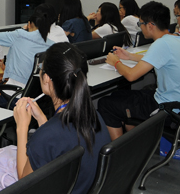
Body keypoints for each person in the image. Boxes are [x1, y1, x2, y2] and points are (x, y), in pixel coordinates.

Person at [11, 42, 111, 194]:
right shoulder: (93, 115)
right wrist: (42, 121)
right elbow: (57, 144)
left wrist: (22, 127)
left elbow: (24, 184)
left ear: (46, 79)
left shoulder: (46, 137)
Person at [98, 1, 180, 140]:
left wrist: (115, 62)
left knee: (106, 104)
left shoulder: (161, 44)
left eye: (141, 24)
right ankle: (137, 140)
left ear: (150, 25)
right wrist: (129, 56)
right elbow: (158, 58)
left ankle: (121, 149)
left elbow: (131, 76)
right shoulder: (179, 38)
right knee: (118, 95)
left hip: (169, 109)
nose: (140, 27)